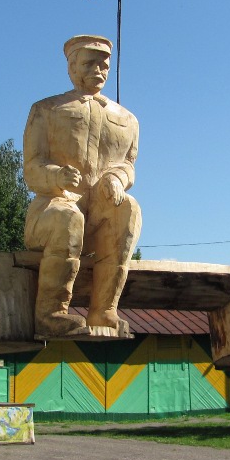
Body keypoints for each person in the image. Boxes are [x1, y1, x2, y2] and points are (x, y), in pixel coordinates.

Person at [23, 34, 142, 337]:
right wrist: (56, 177)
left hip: (98, 218)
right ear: (71, 67)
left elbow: (128, 164)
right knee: (68, 218)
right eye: (89, 63)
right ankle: (51, 313)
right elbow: (32, 168)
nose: (98, 70)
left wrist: (117, 178)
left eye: (104, 65)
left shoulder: (128, 120)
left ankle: (104, 310)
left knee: (128, 210)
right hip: (51, 214)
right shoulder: (46, 110)